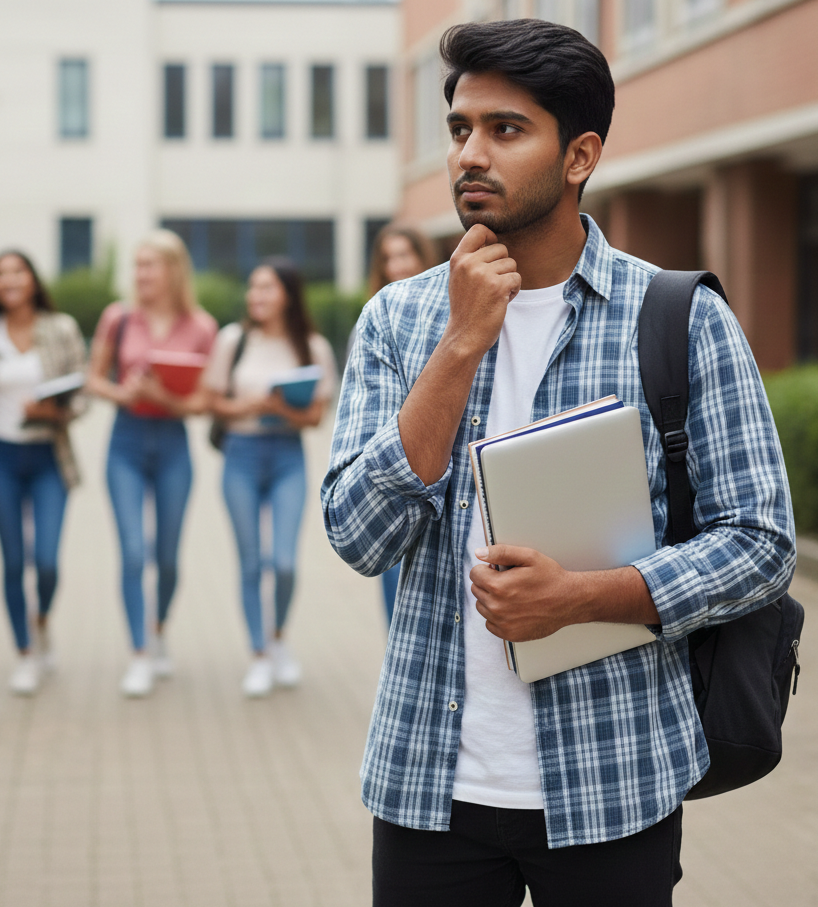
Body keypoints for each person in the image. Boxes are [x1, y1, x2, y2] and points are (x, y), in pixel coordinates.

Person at [321, 19, 794, 907]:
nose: (470, 153)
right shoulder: (398, 319)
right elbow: (357, 536)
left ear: (579, 156)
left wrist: (583, 597)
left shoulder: (680, 318)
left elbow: (760, 543)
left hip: (614, 779)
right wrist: (459, 345)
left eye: (505, 129)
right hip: (428, 782)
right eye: (460, 128)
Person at [88, 230, 217, 697]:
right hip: (125, 441)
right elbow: (93, 379)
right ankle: (139, 653)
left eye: (150, 265)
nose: (140, 274)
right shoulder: (118, 317)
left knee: (166, 557)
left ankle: (158, 627)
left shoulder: (201, 326)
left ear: (173, 271)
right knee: (132, 552)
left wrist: (164, 397)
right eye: (137, 265)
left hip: (173, 444)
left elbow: (203, 402)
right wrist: (123, 393)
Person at [203, 258, 337, 697]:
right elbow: (210, 401)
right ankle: (259, 654)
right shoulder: (233, 339)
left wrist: (280, 408)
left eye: (267, 287)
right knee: (250, 562)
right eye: (253, 287)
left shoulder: (312, 347)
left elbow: (315, 417)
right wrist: (247, 406)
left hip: (287, 457)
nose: (255, 295)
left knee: (283, 563)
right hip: (240, 455)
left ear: (288, 295)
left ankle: (278, 638)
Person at [0, 251, 88, 696]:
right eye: (0, 274)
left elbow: (82, 396)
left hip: (49, 457)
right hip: (0, 458)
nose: (9, 280)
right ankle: (24, 653)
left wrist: (51, 411)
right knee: (14, 561)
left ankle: (42, 621)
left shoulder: (61, 328)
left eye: (17, 271)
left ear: (33, 279)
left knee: (48, 562)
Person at [365, 224, 435, 625]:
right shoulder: (373, 321)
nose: (396, 266)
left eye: (404, 255)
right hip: (392, 465)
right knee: (394, 579)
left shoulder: (448, 314)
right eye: (388, 258)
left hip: (439, 461)